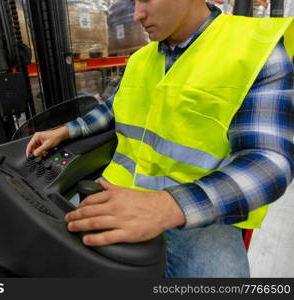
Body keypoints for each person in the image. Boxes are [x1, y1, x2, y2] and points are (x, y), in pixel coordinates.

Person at [26, 0, 294, 277]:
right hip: (116, 191)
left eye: (146, 0)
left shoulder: (254, 49)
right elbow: (114, 107)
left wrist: (168, 206)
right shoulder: (140, 59)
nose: (137, 15)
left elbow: (269, 161)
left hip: (199, 211)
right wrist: (68, 130)